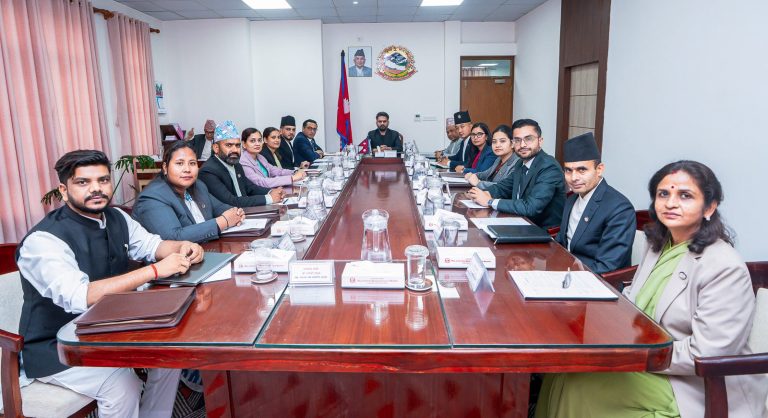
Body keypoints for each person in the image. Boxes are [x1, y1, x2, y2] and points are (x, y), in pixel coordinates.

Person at [536, 160, 768, 418]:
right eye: (663, 194)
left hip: (695, 383)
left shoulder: (723, 266)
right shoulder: (658, 245)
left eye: (685, 195)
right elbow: (634, 301)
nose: (671, 203)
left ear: (709, 207)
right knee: (565, 367)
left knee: (578, 384)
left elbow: (706, 353)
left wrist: (635, 354)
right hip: (648, 359)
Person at [16, 149, 205, 417]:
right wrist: (154, 270)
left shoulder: (116, 217)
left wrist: (183, 246)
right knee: (121, 385)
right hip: (56, 347)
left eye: (103, 180)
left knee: (170, 354)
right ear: (64, 191)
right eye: (83, 182)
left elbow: (153, 245)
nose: (96, 189)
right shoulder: (44, 240)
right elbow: (81, 296)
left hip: (110, 328)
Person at [554, 132, 635, 274]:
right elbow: (561, 242)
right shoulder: (572, 199)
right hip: (566, 270)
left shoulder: (619, 208)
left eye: (582, 170)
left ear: (599, 169)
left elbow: (608, 266)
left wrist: (567, 275)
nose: (574, 178)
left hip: (596, 280)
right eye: (568, 170)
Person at [133, 140, 246, 243]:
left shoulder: (198, 186)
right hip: (176, 258)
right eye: (179, 163)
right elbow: (173, 238)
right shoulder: (152, 197)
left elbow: (220, 207)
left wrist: (236, 213)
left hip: (207, 250)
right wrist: (223, 222)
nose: (187, 169)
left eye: (192, 163)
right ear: (165, 168)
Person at [466, 118, 565, 229]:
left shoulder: (549, 167)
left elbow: (531, 207)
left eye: (528, 139)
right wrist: (479, 194)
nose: (522, 145)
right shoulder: (520, 163)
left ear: (540, 141)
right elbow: (503, 187)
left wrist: (490, 201)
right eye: (517, 140)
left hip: (540, 231)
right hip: (519, 222)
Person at [199, 120, 283, 208]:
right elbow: (231, 202)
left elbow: (250, 188)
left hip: (246, 211)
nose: (235, 150)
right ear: (216, 148)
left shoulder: (236, 165)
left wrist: (271, 192)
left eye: (237, 145)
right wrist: (269, 198)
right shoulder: (208, 171)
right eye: (229, 145)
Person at [241, 127, 305, 188]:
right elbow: (261, 182)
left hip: (269, 190)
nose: (257, 144)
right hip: (259, 194)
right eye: (252, 141)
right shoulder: (243, 161)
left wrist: (295, 172)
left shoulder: (260, 157)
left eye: (259, 140)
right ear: (244, 144)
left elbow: (277, 171)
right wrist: (292, 178)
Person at [465, 124, 518, 190]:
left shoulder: (517, 163)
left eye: (502, 141)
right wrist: (473, 175)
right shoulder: (498, 159)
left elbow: (505, 187)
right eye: (494, 142)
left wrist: (478, 183)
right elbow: (485, 174)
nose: (497, 145)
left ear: (512, 144)